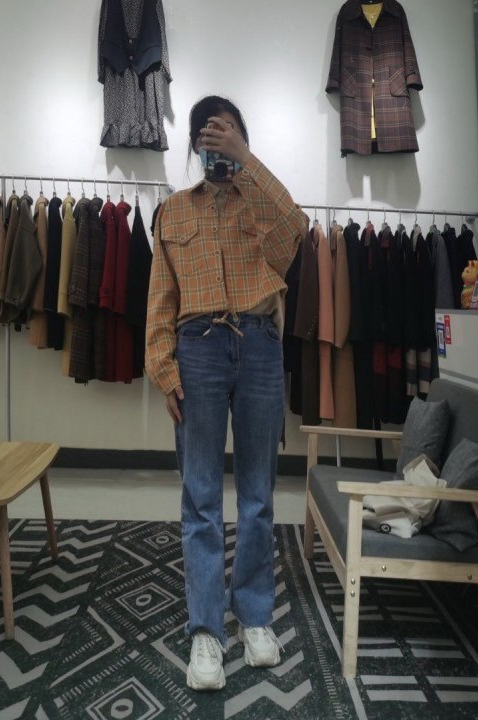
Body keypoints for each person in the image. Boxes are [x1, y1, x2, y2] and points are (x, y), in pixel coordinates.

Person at [145, 95, 308, 691]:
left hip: (260, 345)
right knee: (201, 496)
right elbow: (160, 296)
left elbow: (297, 230)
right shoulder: (171, 212)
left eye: (230, 131)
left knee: (259, 492)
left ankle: (255, 614)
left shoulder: (261, 205)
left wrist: (247, 160)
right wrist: (165, 370)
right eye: (210, 134)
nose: (219, 141)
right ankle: (207, 629)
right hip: (199, 351)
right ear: (195, 144)